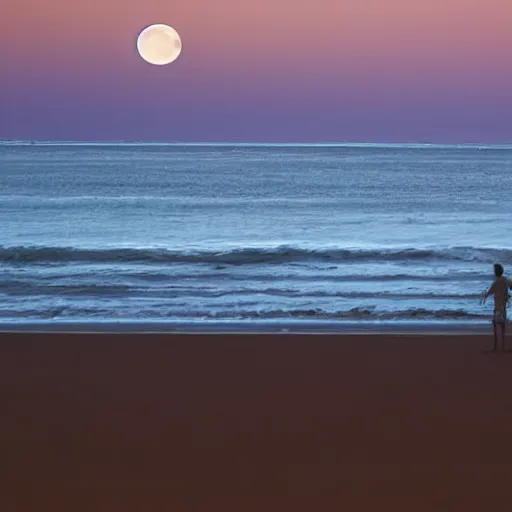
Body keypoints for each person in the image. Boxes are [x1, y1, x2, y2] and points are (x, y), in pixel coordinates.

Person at [481, 264, 512, 352]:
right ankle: (502, 347)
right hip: (503, 308)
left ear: (496, 272)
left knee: (495, 326)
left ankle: (495, 347)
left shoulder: (496, 282)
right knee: (502, 328)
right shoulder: (505, 280)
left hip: (498, 308)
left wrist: (484, 295)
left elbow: (489, 292)